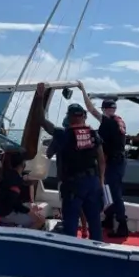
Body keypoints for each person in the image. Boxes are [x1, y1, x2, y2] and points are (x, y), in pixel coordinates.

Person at [77, 81, 128, 237]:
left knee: (114, 193)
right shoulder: (119, 121)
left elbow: (90, 109)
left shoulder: (108, 121)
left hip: (113, 163)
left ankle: (122, 225)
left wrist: (83, 90)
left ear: (105, 109)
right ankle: (109, 218)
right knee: (110, 192)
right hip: (119, 161)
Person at [57, 103, 106, 241]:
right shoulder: (93, 133)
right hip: (93, 182)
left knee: (71, 222)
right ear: (83, 116)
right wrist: (101, 181)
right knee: (95, 221)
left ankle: (70, 251)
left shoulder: (64, 135)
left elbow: (43, 122)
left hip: (74, 184)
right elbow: (102, 160)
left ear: (69, 116)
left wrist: (40, 98)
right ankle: (97, 249)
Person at [0, 151, 45, 229]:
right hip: (6, 214)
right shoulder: (15, 180)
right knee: (40, 220)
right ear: (23, 164)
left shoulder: (8, 175)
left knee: (34, 211)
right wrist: (29, 212)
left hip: (2, 210)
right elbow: (14, 203)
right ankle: (25, 236)